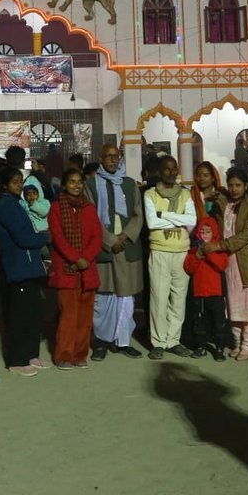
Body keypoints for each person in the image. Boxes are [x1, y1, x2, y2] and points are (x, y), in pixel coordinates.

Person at [88, 144, 145, 360]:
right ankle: (101, 342)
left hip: (127, 247)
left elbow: (138, 215)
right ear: (101, 158)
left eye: (116, 156)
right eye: (108, 157)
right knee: (104, 297)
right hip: (106, 248)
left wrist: (126, 236)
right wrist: (110, 240)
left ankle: (123, 341)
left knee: (126, 298)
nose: (113, 160)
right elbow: (91, 217)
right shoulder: (91, 184)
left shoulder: (130, 184)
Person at [0, 167, 51, 376]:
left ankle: (31, 354)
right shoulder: (7, 206)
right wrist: (45, 237)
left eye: (20, 181)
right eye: (15, 182)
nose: (19, 185)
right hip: (18, 267)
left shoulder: (17, 204)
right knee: (19, 316)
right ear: (6, 185)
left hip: (28, 267)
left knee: (32, 313)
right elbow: (23, 238)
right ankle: (16, 360)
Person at [202, 167, 248, 360]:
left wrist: (221, 245)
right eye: (231, 185)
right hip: (229, 260)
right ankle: (237, 343)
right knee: (234, 303)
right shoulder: (225, 203)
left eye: (238, 185)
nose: (234, 189)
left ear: (246, 186)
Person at [48, 168, 103, 370]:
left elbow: (97, 238)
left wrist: (85, 259)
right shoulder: (56, 208)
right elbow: (58, 238)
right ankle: (64, 355)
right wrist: (75, 258)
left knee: (85, 316)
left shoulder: (89, 208)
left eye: (79, 181)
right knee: (68, 315)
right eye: (71, 181)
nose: (76, 185)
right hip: (66, 268)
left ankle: (80, 355)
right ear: (63, 185)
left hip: (87, 269)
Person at [143, 156, 196, 359]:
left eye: (174, 169)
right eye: (167, 169)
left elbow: (191, 220)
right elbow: (151, 223)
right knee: (158, 298)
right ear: (160, 171)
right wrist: (178, 221)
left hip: (181, 252)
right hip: (160, 251)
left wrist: (163, 215)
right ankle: (158, 342)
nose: (171, 173)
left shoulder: (185, 194)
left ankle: (174, 340)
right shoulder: (150, 194)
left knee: (178, 300)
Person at [183, 161, 229, 361]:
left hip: (218, 247)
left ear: (213, 177)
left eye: (206, 175)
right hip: (197, 247)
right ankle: (200, 341)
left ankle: (218, 341)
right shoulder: (192, 196)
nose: (202, 178)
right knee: (199, 304)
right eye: (199, 174)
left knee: (217, 302)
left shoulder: (222, 195)